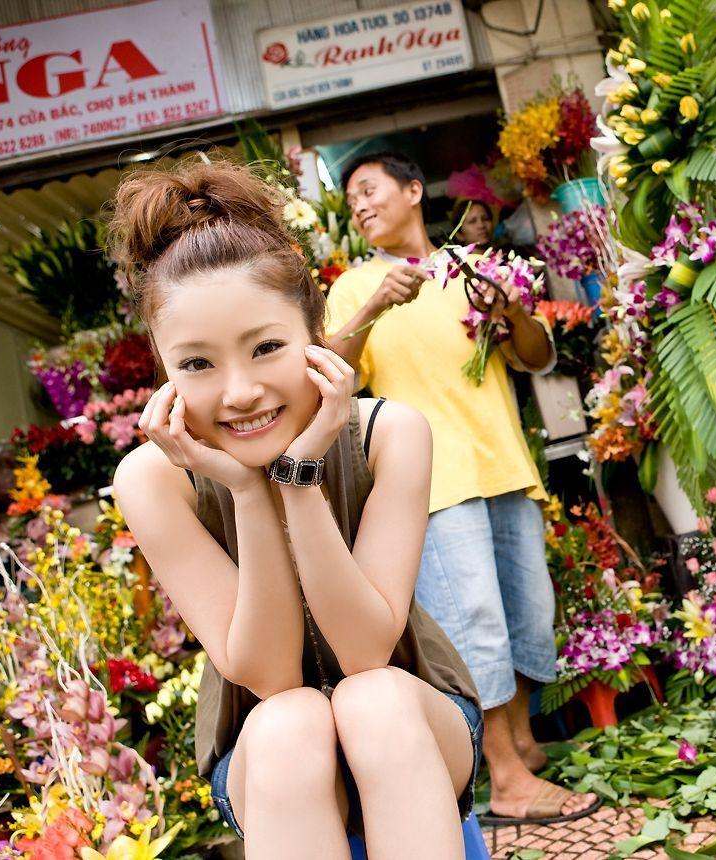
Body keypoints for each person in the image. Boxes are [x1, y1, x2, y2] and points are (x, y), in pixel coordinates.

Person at [107, 158, 483, 858]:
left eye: (267, 347)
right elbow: (272, 675)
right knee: (290, 720)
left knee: (372, 700)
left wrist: (300, 476)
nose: (240, 391)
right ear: (162, 367)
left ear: (316, 331)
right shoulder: (153, 480)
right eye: (197, 365)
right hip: (267, 756)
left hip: (415, 720)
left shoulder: (387, 434)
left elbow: (367, 651)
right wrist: (250, 492)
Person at [325, 152, 601, 825]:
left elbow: (536, 357)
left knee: (523, 620)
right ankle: (504, 780)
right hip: (430, 485)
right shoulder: (352, 286)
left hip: (504, 464)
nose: (359, 207)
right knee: (474, 631)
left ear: (414, 191)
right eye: (351, 200)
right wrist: (371, 305)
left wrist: (511, 309)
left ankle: (523, 747)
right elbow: (330, 376)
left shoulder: (473, 268)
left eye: (369, 190)